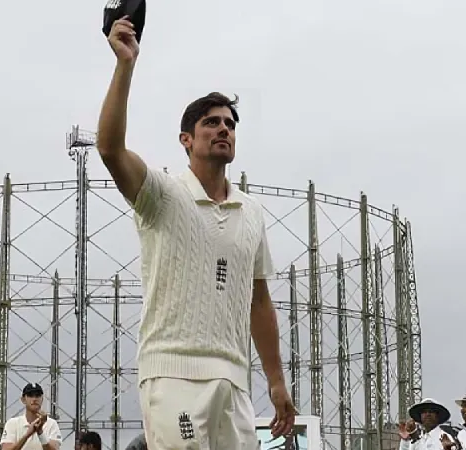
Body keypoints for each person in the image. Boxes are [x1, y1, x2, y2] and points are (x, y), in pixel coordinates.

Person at [96, 15, 295, 450]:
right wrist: (125, 65)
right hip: (173, 373)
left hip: (234, 380)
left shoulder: (252, 212)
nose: (224, 128)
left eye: (229, 123)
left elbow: (258, 300)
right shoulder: (163, 194)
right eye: (212, 122)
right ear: (186, 139)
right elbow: (109, 149)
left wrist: (276, 382)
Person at [1, 383, 62, 450]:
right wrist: (27, 435)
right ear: (23, 399)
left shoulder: (52, 424)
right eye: (30, 395)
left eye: (37, 395)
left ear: (42, 399)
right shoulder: (12, 423)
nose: (34, 399)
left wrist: (40, 432)